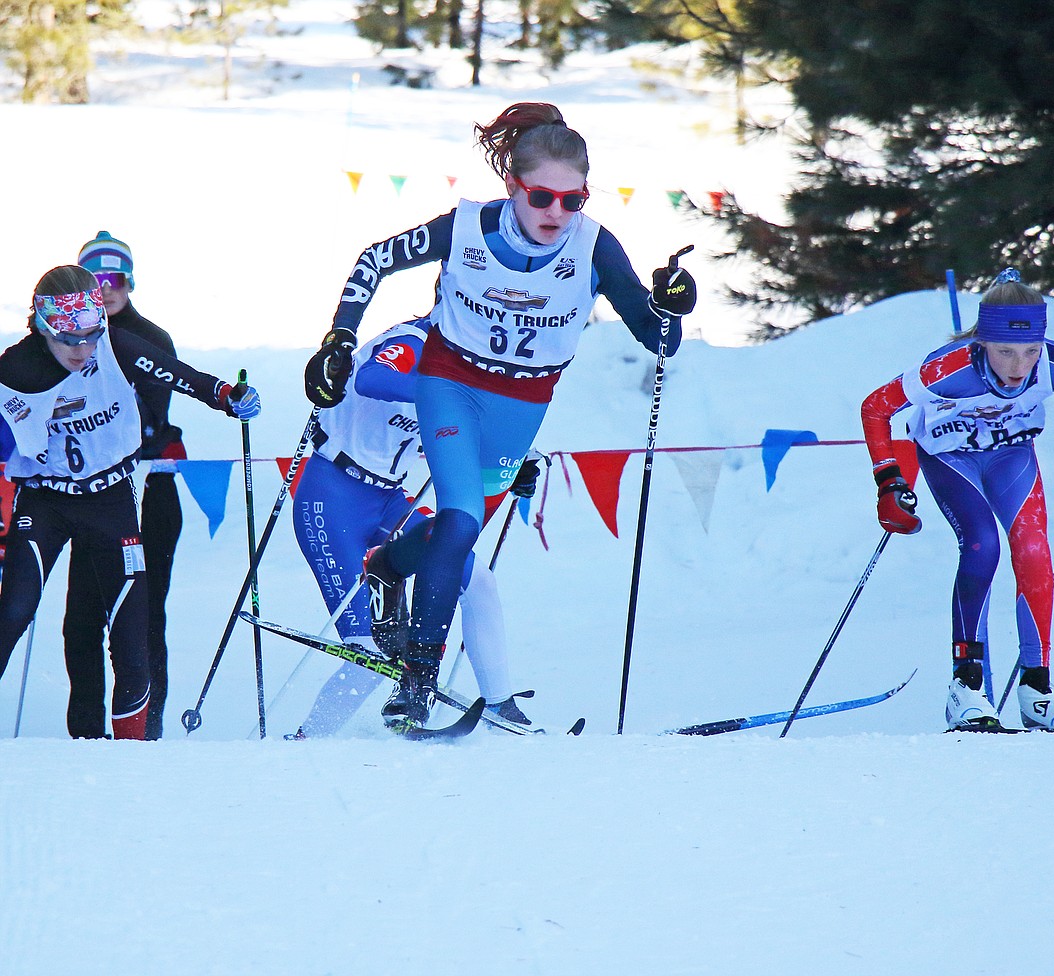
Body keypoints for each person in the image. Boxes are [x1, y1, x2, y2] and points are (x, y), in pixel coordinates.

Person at [304, 101, 696, 728]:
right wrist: (340, 340)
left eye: (574, 200)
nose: (556, 214)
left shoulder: (595, 247)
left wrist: (674, 305)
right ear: (513, 185)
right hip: (448, 383)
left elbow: (661, 340)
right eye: (542, 197)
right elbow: (373, 259)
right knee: (458, 522)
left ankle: (388, 566)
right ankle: (417, 683)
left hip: (522, 404)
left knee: (454, 538)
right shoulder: (465, 227)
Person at [0, 265, 260, 740]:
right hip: (45, 502)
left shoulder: (115, 346)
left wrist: (228, 395)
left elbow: (183, 377)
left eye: (90, 335)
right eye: (68, 339)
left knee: (131, 633)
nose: (82, 349)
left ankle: (131, 754)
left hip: (111, 499)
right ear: (41, 326)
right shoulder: (13, 369)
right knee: (14, 609)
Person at [860, 268, 1054, 732]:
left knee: (1033, 550)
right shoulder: (948, 368)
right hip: (952, 458)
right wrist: (889, 481)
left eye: (1030, 351)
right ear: (983, 342)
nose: (1018, 366)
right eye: (1006, 351)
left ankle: (1037, 691)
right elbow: (876, 407)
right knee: (982, 544)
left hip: (1011, 456)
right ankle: (966, 689)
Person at [289, 314, 538, 736]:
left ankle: (500, 706)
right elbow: (372, 378)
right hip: (332, 496)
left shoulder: (476, 366)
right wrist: (443, 394)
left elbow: (480, 431)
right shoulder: (413, 339)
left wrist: (517, 460)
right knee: (366, 653)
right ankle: (305, 742)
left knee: (478, 580)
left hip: (393, 503)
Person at [59, 231, 187, 740]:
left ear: (129, 284)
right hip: (90, 495)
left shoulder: (148, 338)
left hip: (148, 490)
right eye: (95, 280)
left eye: (115, 279)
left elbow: (144, 419)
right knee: (82, 621)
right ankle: (86, 735)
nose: (107, 289)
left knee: (144, 619)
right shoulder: (63, 339)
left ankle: (146, 731)